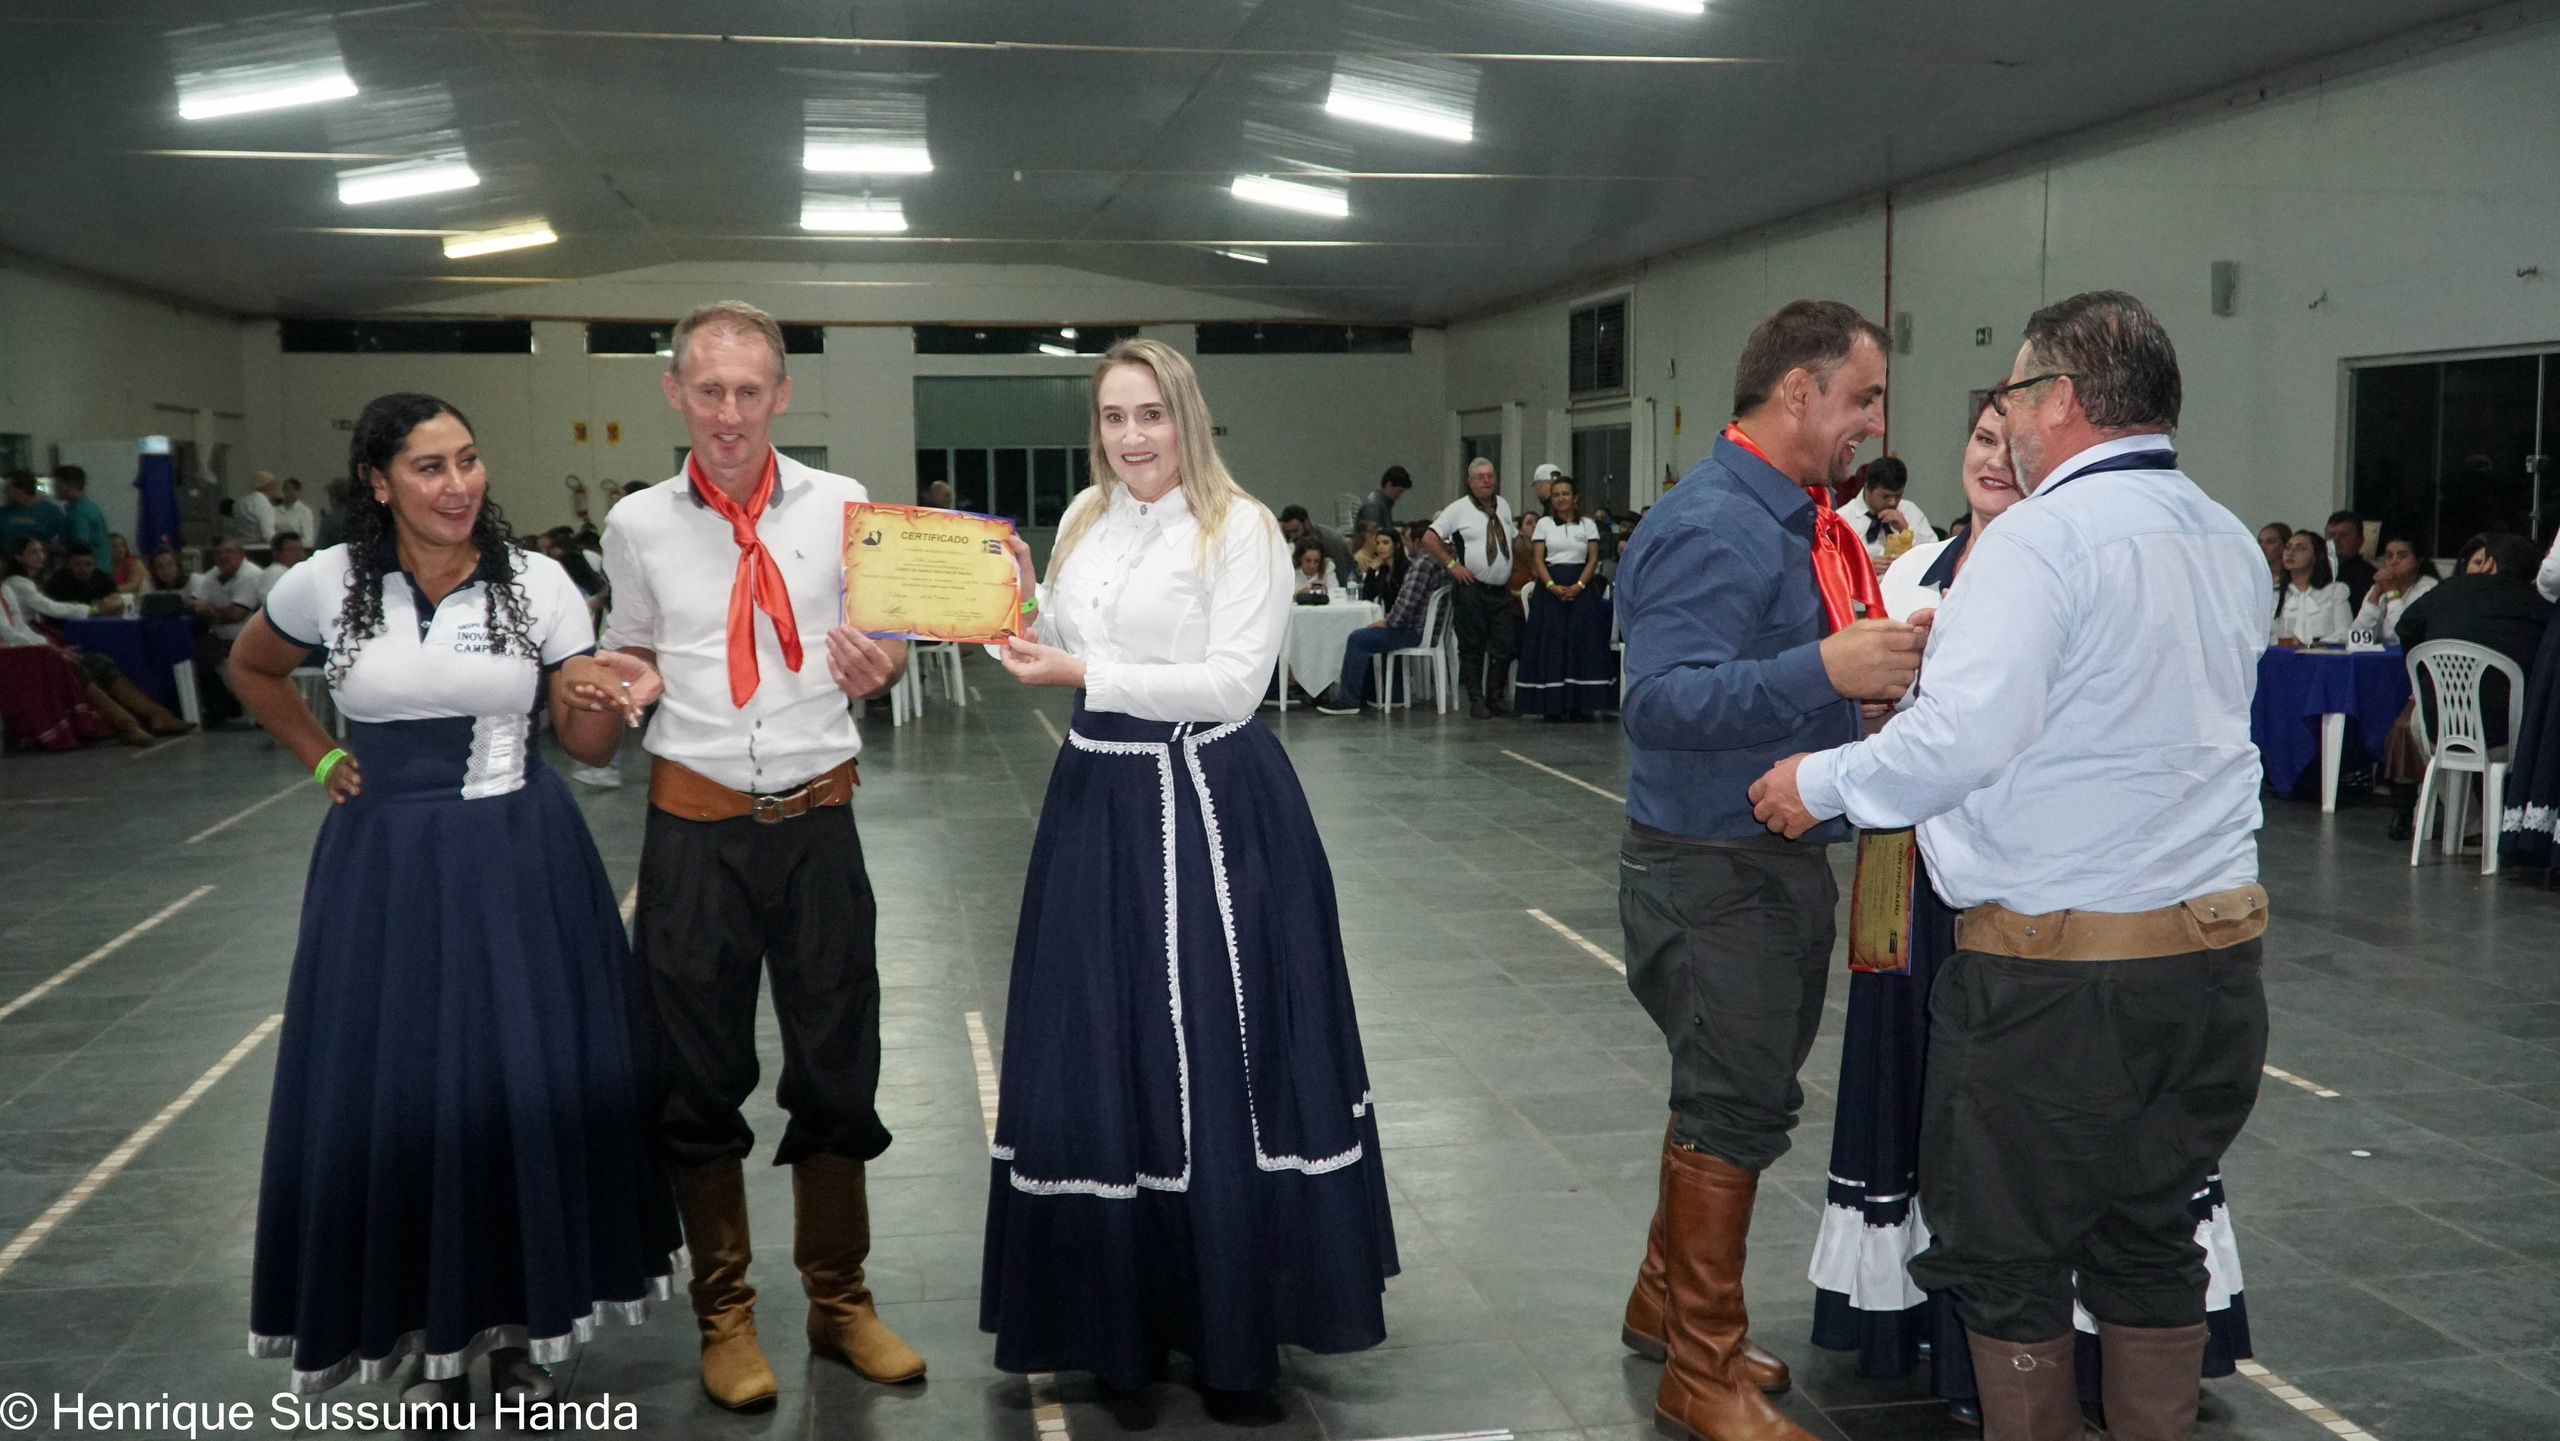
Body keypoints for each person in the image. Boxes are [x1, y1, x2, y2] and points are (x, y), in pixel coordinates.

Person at [1749, 291, 2270, 1441]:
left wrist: (1814, 782)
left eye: (2018, 390)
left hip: (2056, 979)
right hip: (2212, 963)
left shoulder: (2040, 539)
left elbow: (1953, 742)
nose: (2010, 417)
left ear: (2062, 402)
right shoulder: (2223, 533)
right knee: (2145, 1234)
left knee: (2004, 1252)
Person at [236, 391, 678, 1405]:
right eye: (430, 467)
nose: (458, 484)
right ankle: (409, 1312)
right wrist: (318, 758)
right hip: (381, 871)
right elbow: (253, 666)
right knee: (400, 1087)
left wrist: (602, 699)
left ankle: (523, 1318)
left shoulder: (541, 584)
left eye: (469, 460)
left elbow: (589, 744)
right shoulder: (327, 582)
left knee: (515, 1082)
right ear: (378, 482)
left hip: (518, 859)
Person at [981, 337, 1396, 1407]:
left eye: (1151, 415)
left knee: (1213, 1053)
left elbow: (1231, 684)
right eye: (1114, 417)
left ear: (1188, 419)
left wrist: (1081, 670)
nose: (1131, 437)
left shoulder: (1240, 525)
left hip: (1209, 812)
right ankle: (1124, 1319)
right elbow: (1060, 641)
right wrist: (1009, 616)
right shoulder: (1080, 519)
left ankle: (1229, 1322)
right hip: (1096, 804)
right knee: (1104, 1046)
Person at [599, 300, 920, 1410]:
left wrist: (884, 661)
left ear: (782, 396)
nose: (729, 411)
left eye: (750, 390)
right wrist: (620, 675)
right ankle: (725, 1316)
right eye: (708, 389)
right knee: (694, 1077)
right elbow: (629, 643)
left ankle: (840, 1303)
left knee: (838, 1063)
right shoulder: (636, 524)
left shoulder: (844, 508)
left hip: (819, 824)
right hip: (693, 833)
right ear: (676, 394)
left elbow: (889, 632)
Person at [1612, 299, 1921, 1441]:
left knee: (1724, 1096)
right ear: (1797, 391)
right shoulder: (1716, 525)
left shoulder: (1790, 521)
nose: (1872, 422)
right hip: (1711, 869)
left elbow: (1755, 674)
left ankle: (1663, 1298)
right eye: (1861, 397)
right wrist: (1822, 666)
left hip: (1763, 858)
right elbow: (1658, 702)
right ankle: (1699, 1368)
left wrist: (1852, 686)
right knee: (1735, 1103)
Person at [2384, 531, 2555, 840]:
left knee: (2419, 724)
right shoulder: (2540, 605)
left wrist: (2423, 674)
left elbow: (2405, 625)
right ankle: (2512, 827)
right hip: (2511, 732)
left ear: (2488, 562)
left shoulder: (2449, 590)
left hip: (2441, 727)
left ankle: (2470, 826)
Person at [1, 535, 188, 747]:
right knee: (78, 669)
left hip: (39, 646)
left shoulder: (13, 587)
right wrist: (55, 646)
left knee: (99, 662)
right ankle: (126, 725)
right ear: (18, 557)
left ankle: (158, 715)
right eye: (33, 552)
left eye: (40, 551)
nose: (40, 556)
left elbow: (23, 626)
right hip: (24, 656)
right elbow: (30, 621)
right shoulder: (17, 584)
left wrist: (51, 647)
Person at [1422, 458, 1519, 717]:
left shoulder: (1504, 506)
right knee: (1471, 645)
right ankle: (1476, 700)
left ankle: (1495, 696)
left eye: (1490, 475)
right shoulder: (1458, 509)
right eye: (1480, 477)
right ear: (1470, 481)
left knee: (1504, 644)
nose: (1486, 480)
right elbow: (1430, 538)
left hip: (1500, 589)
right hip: (1472, 587)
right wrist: (1452, 565)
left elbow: (1513, 540)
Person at [1320, 528, 1448, 715]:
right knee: (1368, 635)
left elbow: (1406, 603)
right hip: (1422, 628)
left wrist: (1388, 622)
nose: (1405, 545)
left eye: (1407, 540)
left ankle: (1348, 700)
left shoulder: (1422, 565)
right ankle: (1375, 693)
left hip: (1412, 630)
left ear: (1418, 541)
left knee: (1358, 638)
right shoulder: (1438, 563)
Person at [1518, 475, 1613, 722]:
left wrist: (1580, 585)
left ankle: (1581, 704)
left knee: (1581, 643)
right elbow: (1538, 559)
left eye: (1565, 494)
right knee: (1553, 644)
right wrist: (1551, 585)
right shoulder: (1544, 525)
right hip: (1551, 589)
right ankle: (1551, 704)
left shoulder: (1588, 526)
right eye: (1556, 494)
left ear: (1575, 498)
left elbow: (1592, 558)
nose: (1561, 498)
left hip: (1581, 588)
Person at [186, 538, 265, 726]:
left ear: (241, 555)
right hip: (221, 638)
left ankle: (241, 708)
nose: (223, 557)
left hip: (251, 639)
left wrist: (209, 610)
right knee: (188, 655)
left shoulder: (251, 575)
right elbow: (192, 602)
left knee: (211, 657)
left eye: (228, 552)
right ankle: (219, 709)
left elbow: (236, 614)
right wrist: (212, 610)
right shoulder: (214, 574)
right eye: (218, 553)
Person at [1835, 456, 1935, 574]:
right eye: (1886, 496)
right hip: (1865, 589)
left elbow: (1935, 556)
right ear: (1867, 489)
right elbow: (1832, 570)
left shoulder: (1910, 511)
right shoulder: (1843, 519)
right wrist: (1865, 569)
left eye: (1898, 496)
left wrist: (1906, 531)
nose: (1893, 502)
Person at [2349, 536, 2439, 645]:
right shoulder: (2382, 586)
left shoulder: (2430, 588)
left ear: (2418, 560)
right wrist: (2376, 594)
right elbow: (2358, 639)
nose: (2394, 561)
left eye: (2402, 556)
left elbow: (2403, 635)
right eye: (2389, 556)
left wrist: (2392, 593)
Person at [2271, 529, 2351, 646]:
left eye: (2300, 548)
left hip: (2323, 658)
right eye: (2288, 547)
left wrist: (2311, 645)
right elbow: (2262, 635)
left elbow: (2344, 632)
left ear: (2316, 557)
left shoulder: (2335, 591)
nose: (2291, 552)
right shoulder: (2274, 594)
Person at [1278, 503, 1354, 586]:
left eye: (1295, 531)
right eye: (1288, 532)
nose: (1292, 536)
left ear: (1306, 523)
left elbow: (1342, 573)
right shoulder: (1292, 540)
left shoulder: (1329, 540)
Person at [42, 539, 123, 607]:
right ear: (68, 564)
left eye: (88, 564)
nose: (83, 569)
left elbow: (116, 602)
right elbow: (50, 607)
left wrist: (95, 609)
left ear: (95, 564)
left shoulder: (102, 578)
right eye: (77, 564)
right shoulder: (57, 580)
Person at [53, 467, 109, 559]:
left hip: (85, 570)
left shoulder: (78, 511)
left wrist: (55, 548)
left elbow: (81, 547)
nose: (55, 488)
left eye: (58, 484)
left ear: (71, 485)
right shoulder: (89, 506)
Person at [0, 470, 63, 551]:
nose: (4, 492)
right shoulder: (3, 513)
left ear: (20, 490)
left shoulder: (51, 512)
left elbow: (62, 543)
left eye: (8, 488)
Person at [2324, 509, 2375, 600]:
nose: (2336, 540)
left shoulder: (2369, 576)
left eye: (2344, 535)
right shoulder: (2316, 570)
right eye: (2331, 535)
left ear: (2360, 541)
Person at [1351, 523, 1404, 605]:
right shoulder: (1384, 570)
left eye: (1385, 543)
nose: (1380, 547)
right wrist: (1371, 570)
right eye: (1378, 543)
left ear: (1397, 545)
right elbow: (1367, 597)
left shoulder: (1405, 569)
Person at [1355, 464, 1411, 529]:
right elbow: (1371, 536)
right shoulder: (1374, 507)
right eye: (1398, 491)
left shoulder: (1380, 504)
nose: (1400, 495)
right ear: (1388, 485)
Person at [235, 470, 282, 546]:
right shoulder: (263, 504)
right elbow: (268, 534)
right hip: (261, 548)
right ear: (268, 485)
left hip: (243, 546)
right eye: (273, 484)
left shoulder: (240, 502)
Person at [274, 477, 317, 546]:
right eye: (288, 489)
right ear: (283, 491)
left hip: (295, 548)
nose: (290, 492)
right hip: (277, 547)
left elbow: (308, 537)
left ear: (298, 492)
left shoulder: (304, 511)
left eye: (294, 490)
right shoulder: (274, 510)